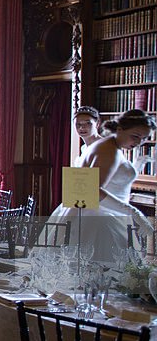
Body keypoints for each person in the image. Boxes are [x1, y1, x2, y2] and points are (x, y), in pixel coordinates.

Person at [65, 109, 156, 259]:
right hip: (101, 220)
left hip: (108, 214)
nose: (139, 142)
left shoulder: (110, 146)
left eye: (144, 138)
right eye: (135, 136)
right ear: (120, 129)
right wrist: (133, 212)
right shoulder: (109, 150)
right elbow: (92, 191)